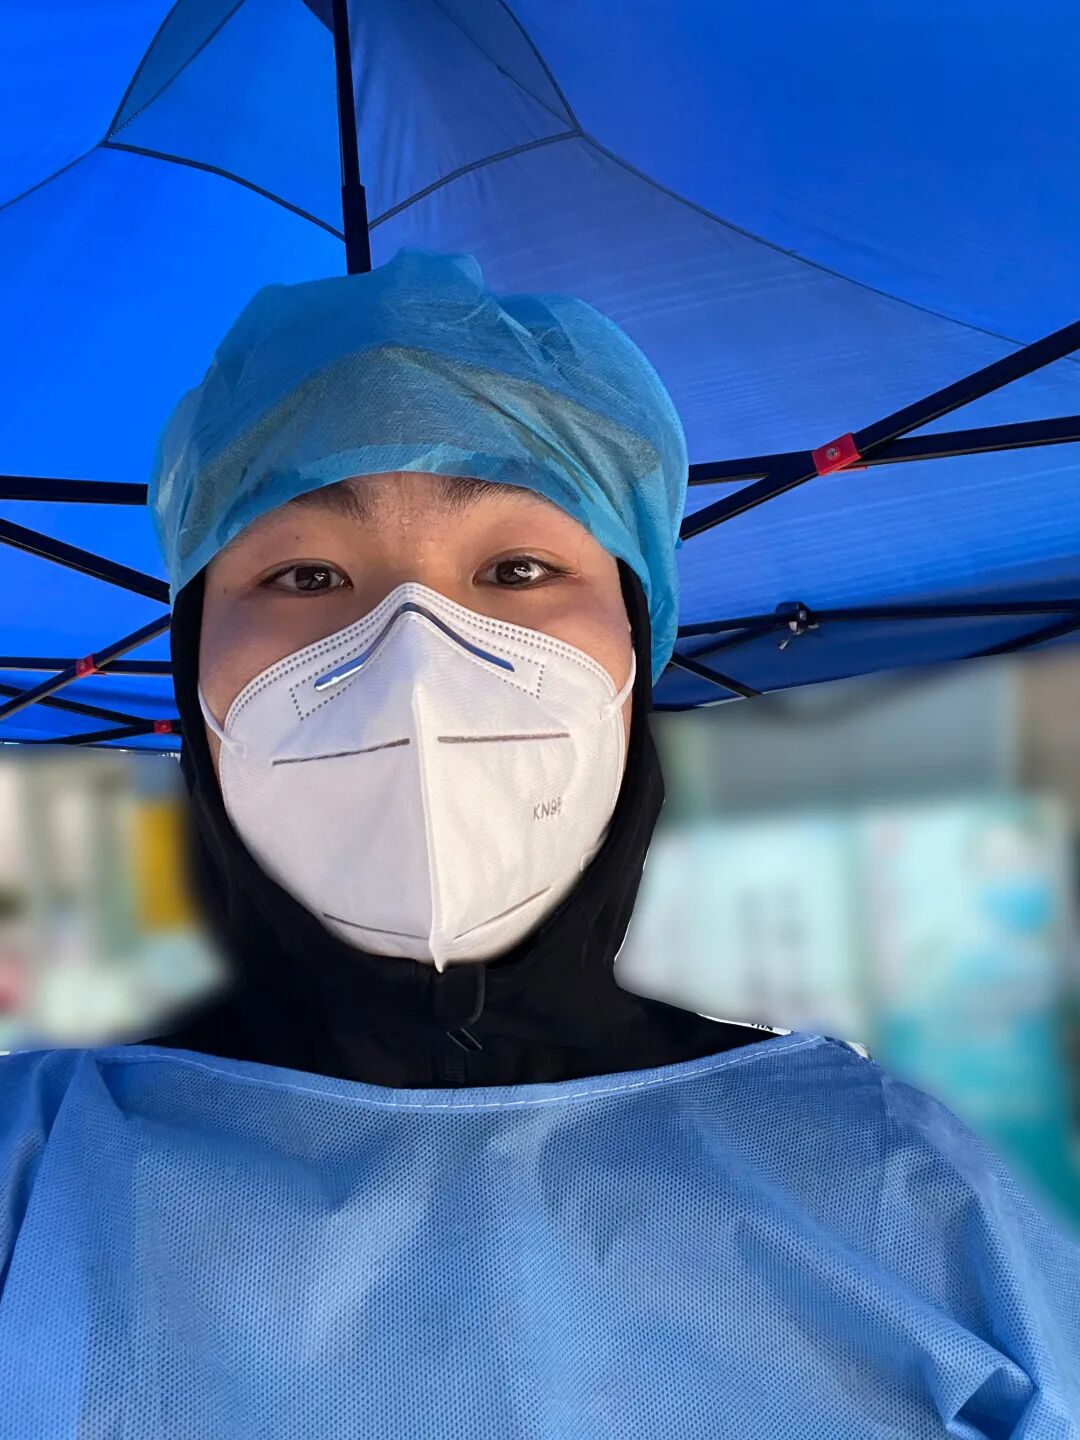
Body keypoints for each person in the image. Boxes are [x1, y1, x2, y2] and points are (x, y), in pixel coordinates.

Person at [0, 250, 1077, 1437]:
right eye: (306, 574)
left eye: (517, 570)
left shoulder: (908, 1185)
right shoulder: (33, 1178)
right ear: (193, 674)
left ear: (634, 653)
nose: (415, 663)